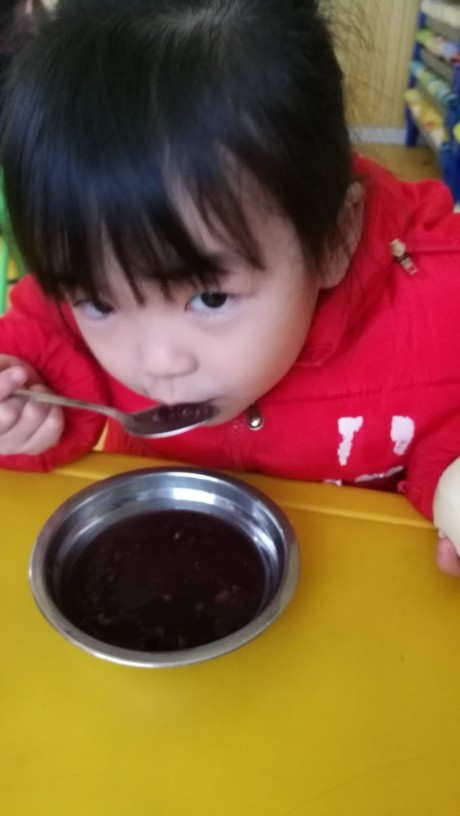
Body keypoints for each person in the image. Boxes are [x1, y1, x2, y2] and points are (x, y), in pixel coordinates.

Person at [0, 0, 460, 575]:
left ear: (334, 242)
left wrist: (446, 477)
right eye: (98, 302)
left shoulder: (437, 308)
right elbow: (36, 356)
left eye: (210, 297)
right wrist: (21, 419)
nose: (156, 363)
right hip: (165, 567)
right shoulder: (81, 282)